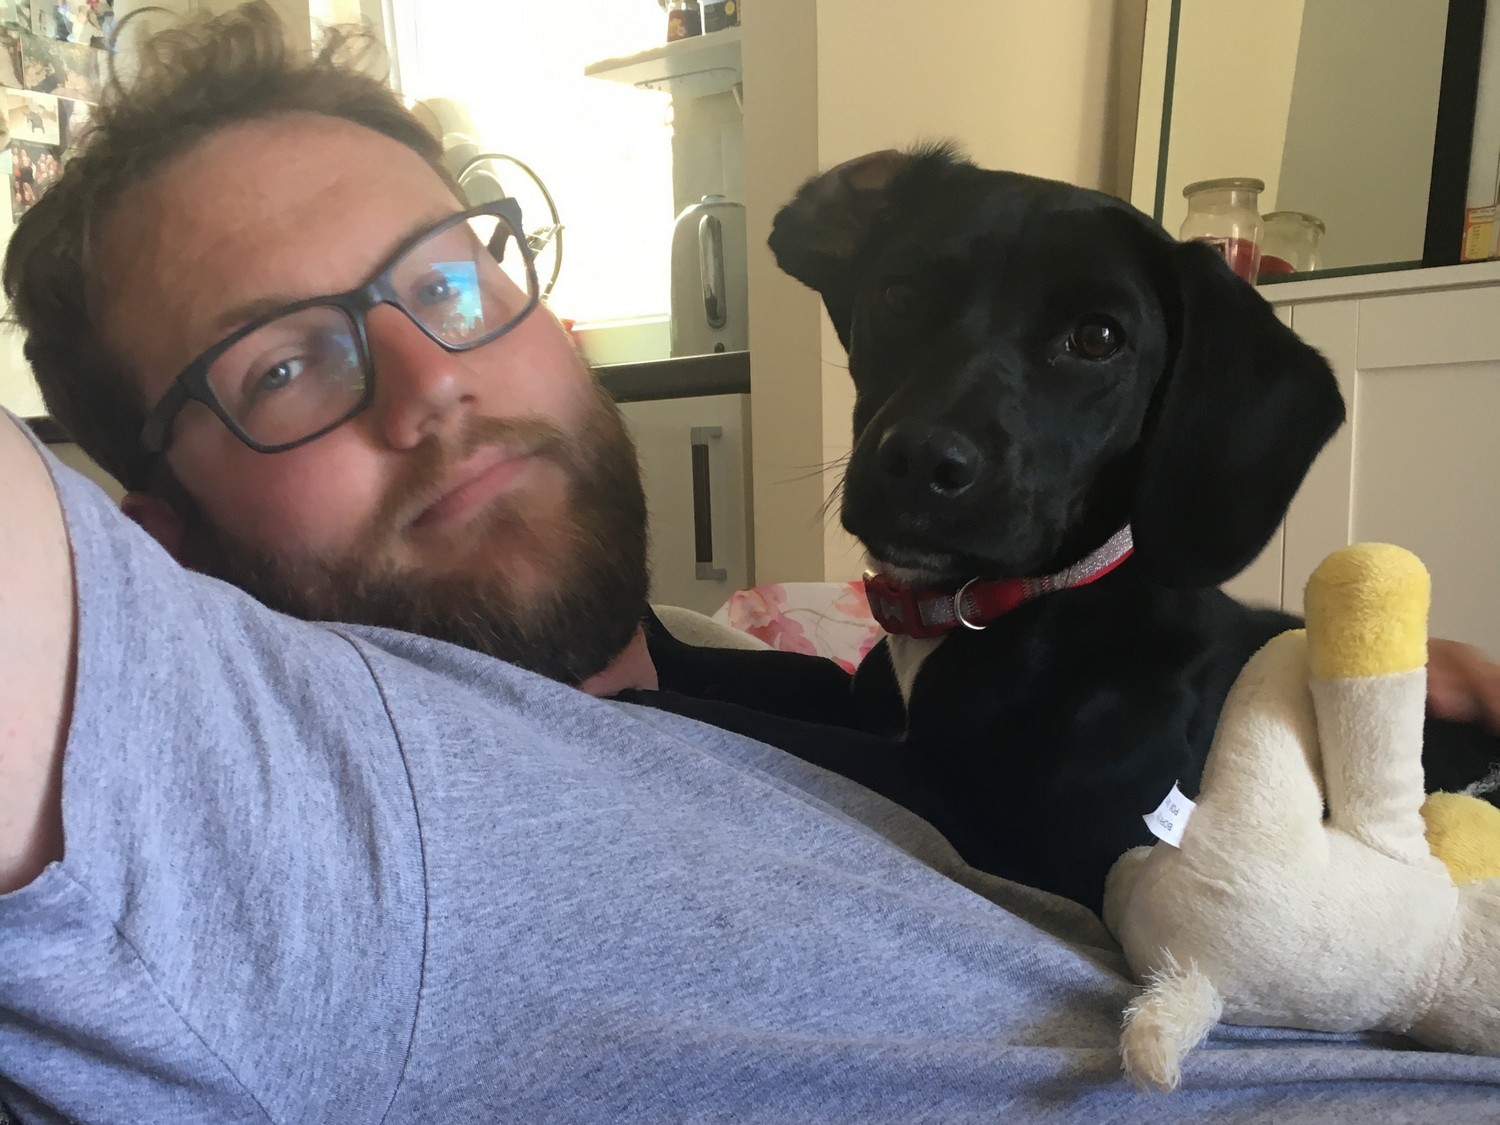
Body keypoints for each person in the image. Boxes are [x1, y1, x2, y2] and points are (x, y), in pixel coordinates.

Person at [2, 4, 1499, 1121]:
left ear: (549, 317)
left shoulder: (828, 669)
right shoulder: (290, 819)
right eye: (280, 368)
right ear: (159, 546)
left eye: (451, 279)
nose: (430, 378)